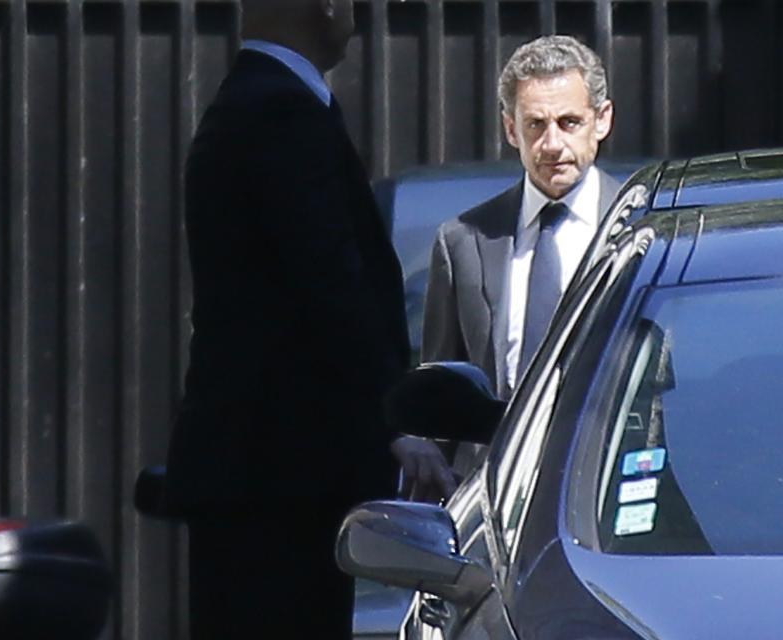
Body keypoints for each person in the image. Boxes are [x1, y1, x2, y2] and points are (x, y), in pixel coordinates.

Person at [164, 1, 454, 637]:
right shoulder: (279, 112)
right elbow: (328, 283)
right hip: (275, 483)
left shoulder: (260, 103)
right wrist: (394, 415)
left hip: (265, 477)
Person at [422, 35, 619, 400]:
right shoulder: (463, 241)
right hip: (496, 454)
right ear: (511, 129)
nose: (552, 144)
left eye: (569, 122)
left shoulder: (639, 225)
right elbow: (444, 391)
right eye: (535, 125)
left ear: (602, 119)